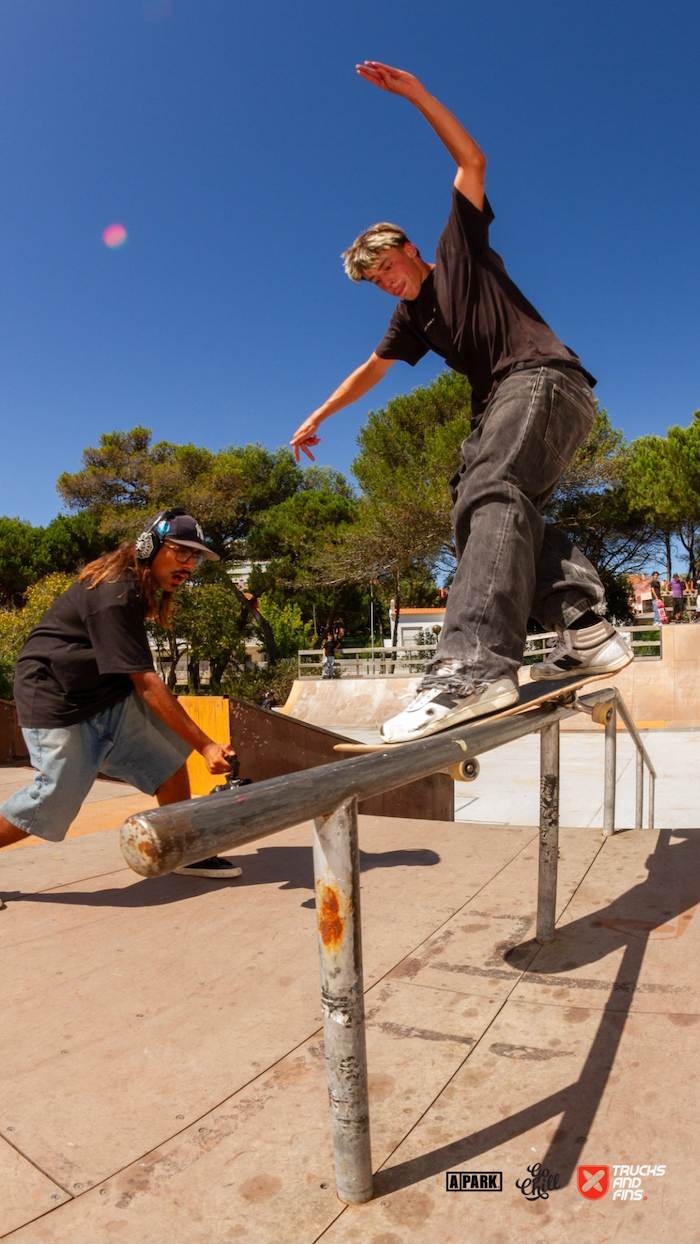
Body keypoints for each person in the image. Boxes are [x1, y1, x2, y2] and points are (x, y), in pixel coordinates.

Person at [291, 62, 631, 743]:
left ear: (411, 250)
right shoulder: (410, 321)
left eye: (388, 268)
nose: (386, 283)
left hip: (541, 379)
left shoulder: (459, 252)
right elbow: (370, 370)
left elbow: (471, 160)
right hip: (512, 400)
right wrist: (319, 416)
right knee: (476, 508)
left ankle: (474, 665)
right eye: (375, 280)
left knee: (493, 486)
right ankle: (584, 624)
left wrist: (415, 94)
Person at [0, 508, 241, 904]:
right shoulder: (114, 590)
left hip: (104, 694)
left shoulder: (135, 588)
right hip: (56, 700)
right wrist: (206, 745)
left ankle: (181, 847)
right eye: (180, 552)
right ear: (149, 547)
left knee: (167, 762)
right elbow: (145, 682)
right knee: (52, 801)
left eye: (195, 557)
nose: (188, 565)